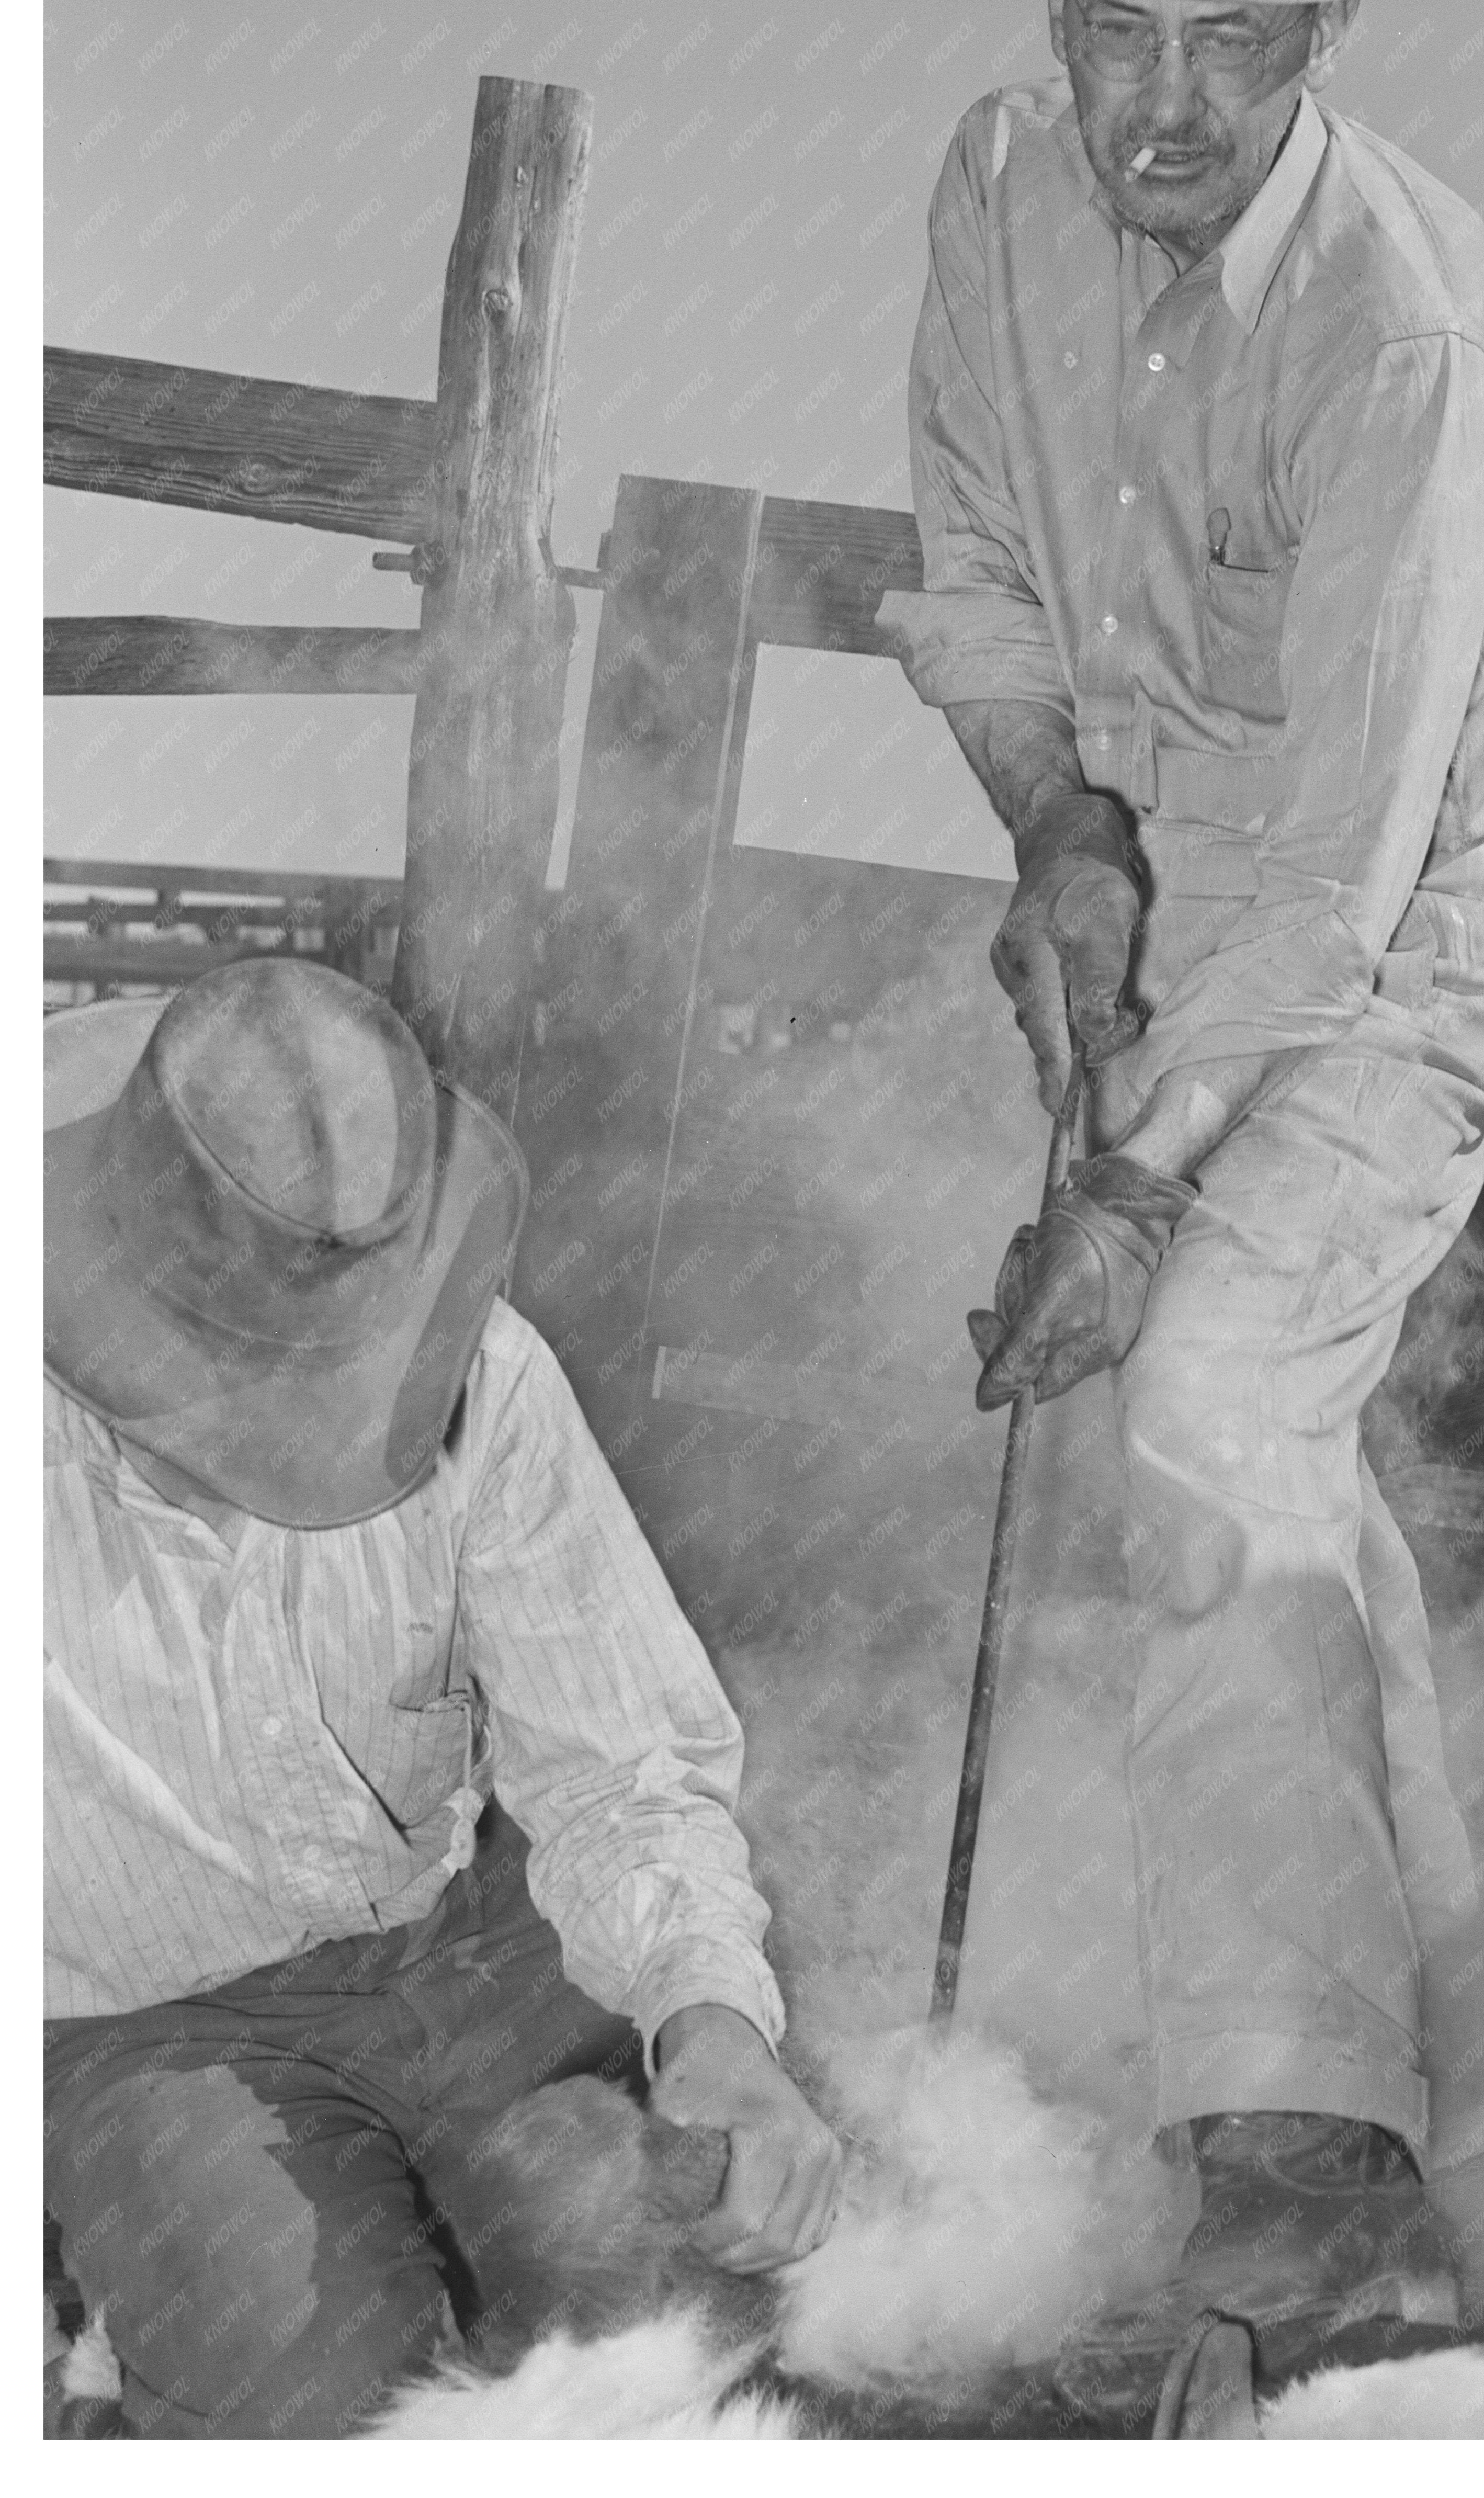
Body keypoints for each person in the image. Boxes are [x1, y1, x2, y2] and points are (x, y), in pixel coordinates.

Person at [878, 0, 1484, 2370]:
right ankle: (1444, 2079)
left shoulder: (1411, 342)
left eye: (1224, 47)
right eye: (1114, 34)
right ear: (1058, 21)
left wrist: (1127, 1176)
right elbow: (967, 560)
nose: (1154, 104)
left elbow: (1342, 871)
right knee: (1250, 1459)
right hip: (1162, 910)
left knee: (1194, 1396)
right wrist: (1051, 817)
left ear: (1318, 54)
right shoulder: (989, 185)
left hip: (1392, 969)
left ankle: (1302, 2175)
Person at [43, 962, 844, 2438]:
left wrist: (712, 2021)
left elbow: (619, 1767)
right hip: (152, 2023)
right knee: (331, 2414)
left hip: (471, 1945)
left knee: (728, 2279)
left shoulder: (482, 1373)